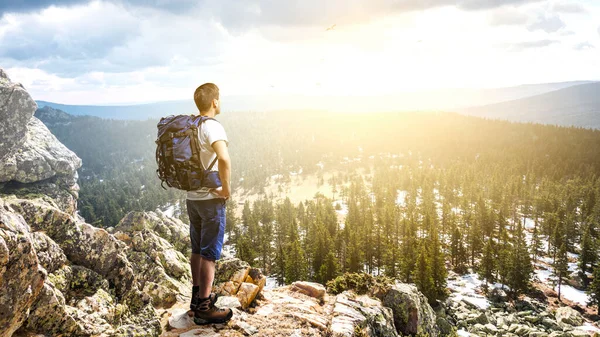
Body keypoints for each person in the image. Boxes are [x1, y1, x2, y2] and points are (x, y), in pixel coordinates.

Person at [186, 83, 233, 324]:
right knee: (209, 254)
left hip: (192, 198)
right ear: (214, 102)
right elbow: (223, 159)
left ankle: (195, 299)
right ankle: (204, 307)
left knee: (196, 249)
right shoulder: (212, 127)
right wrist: (225, 189)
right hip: (210, 200)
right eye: (220, 99)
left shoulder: (190, 126)